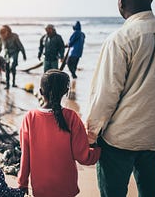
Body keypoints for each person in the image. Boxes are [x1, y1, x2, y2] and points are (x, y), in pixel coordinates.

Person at [86, 0, 155, 196]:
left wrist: (91, 135)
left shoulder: (119, 39)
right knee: (151, 192)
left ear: (120, 1)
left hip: (120, 139)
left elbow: (106, 95)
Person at [17, 69, 101, 197]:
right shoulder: (72, 117)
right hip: (66, 187)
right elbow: (83, 157)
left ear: (40, 91)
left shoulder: (29, 117)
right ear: (65, 92)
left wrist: (22, 183)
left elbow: (25, 156)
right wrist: (96, 148)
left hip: (40, 188)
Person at [0, 25, 26, 89]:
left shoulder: (14, 36)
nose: (3, 35)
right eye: (1, 34)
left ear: (8, 31)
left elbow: (20, 45)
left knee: (13, 66)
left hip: (15, 52)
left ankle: (13, 83)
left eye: (4, 33)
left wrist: (24, 54)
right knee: (7, 68)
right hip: (7, 53)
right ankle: (7, 84)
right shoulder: (1, 37)